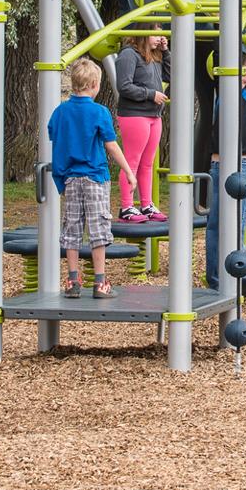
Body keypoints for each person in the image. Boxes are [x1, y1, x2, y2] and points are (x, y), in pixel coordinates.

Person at [48, 59, 138, 299]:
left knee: (72, 228)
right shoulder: (99, 112)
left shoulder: (60, 111)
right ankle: (100, 282)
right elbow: (110, 144)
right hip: (96, 177)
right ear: (95, 84)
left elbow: (53, 135)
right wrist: (128, 171)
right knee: (98, 228)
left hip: (71, 178)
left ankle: (72, 280)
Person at [206, 16, 246, 288]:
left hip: (242, 164)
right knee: (216, 223)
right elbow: (221, 56)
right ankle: (215, 277)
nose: (242, 74)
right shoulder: (222, 89)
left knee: (238, 223)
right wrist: (224, 28)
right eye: (237, 70)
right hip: (219, 164)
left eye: (245, 71)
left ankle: (234, 276)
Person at [112, 34, 169, 222]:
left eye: (162, 34)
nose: (160, 38)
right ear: (143, 33)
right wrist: (150, 94)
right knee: (131, 161)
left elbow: (171, 75)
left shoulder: (155, 56)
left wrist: (166, 52)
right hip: (135, 114)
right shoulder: (128, 54)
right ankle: (127, 206)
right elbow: (124, 86)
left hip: (154, 115)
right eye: (156, 34)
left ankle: (146, 205)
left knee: (148, 163)